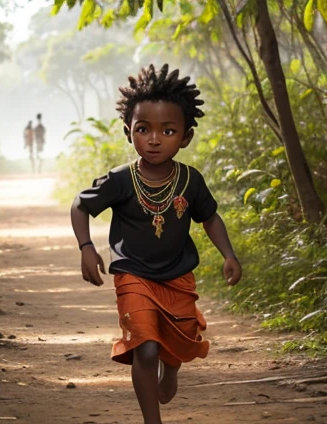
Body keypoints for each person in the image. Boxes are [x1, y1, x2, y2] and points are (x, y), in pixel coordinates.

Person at [70, 64, 242, 424]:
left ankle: (173, 368)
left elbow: (209, 217)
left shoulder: (190, 180)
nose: (153, 139)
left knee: (176, 341)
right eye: (143, 129)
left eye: (167, 130)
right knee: (145, 349)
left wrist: (228, 254)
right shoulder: (119, 180)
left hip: (178, 277)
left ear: (186, 136)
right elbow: (80, 205)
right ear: (128, 131)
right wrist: (87, 247)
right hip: (133, 276)